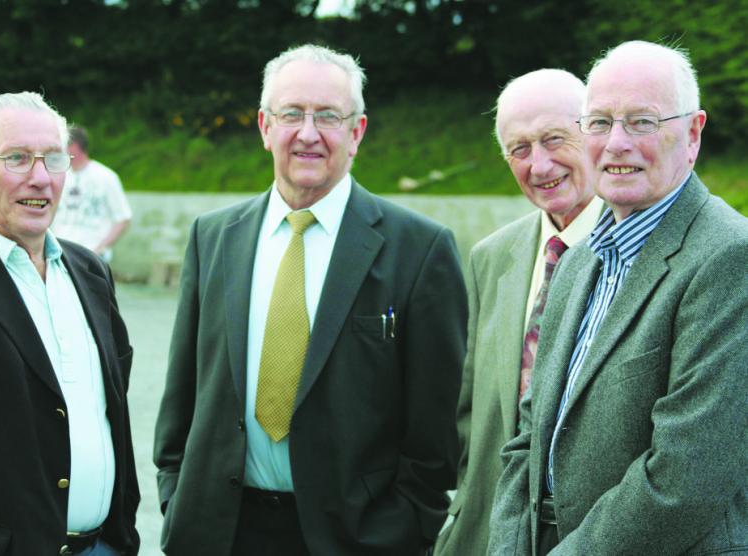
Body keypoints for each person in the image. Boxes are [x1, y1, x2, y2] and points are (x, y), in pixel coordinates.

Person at [153, 44, 468, 556]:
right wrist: (175, 491)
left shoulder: (420, 249)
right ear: (264, 127)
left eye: (328, 116)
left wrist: (403, 528)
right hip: (219, 533)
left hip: (355, 538)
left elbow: (436, 427)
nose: (308, 133)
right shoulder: (213, 238)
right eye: (291, 114)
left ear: (357, 132)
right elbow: (183, 394)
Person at [488, 40, 748, 555]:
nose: (616, 144)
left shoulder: (729, 258)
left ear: (693, 133)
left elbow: (684, 481)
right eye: (600, 122)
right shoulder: (579, 260)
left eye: (643, 122)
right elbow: (525, 440)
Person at [0, 92, 140, 555]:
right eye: (17, 158)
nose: (40, 178)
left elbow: (111, 413)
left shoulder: (90, 272)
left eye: (53, 160)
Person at [435, 69, 602, 556]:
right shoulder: (492, 256)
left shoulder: (638, 252)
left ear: (593, 132)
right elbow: (472, 413)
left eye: (555, 139)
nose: (540, 164)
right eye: (520, 149)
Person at [52, 125, 132, 262]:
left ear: (75, 146)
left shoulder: (106, 177)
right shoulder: (59, 175)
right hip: (59, 254)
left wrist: (100, 249)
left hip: (91, 256)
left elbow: (123, 218)